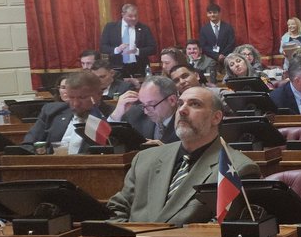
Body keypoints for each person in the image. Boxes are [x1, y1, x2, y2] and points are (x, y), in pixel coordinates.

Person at [106, 86, 259, 225]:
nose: (182, 110)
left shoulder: (236, 169)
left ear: (216, 118)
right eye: (180, 104)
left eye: (195, 104)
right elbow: (117, 208)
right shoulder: (145, 158)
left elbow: (216, 231)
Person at [21, 70, 104, 153]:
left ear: (99, 94)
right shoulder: (51, 112)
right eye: (71, 97)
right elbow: (28, 145)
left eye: (82, 98)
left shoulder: (110, 117)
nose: (75, 104)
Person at [112, 76, 179, 144]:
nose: (146, 111)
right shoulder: (135, 115)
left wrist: (165, 149)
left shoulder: (186, 120)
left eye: (150, 105)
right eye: (143, 104)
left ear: (172, 100)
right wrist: (116, 114)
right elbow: (110, 140)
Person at [100, 3, 157, 72]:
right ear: (123, 15)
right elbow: (103, 47)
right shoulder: (110, 27)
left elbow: (153, 48)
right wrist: (117, 49)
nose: (134, 18)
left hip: (139, 67)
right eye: (130, 16)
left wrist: (137, 51)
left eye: (136, 16)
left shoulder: (144, 28)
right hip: (117, 67)